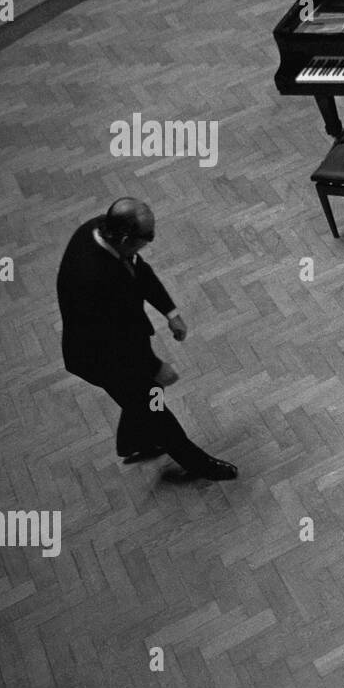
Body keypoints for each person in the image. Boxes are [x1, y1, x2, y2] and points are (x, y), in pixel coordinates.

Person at [56, 199, 237, 481]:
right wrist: (154, 366)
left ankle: (133, 443)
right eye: (147, 237)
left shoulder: (101, 231)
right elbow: (120, 340)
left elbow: (139, 271)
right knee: (153, 405)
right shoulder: (93, 279)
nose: (150, 242)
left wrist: (170, 312)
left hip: (118, 345)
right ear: (127, 238)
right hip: (101, 358)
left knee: (144, 398)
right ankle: (200, 466)